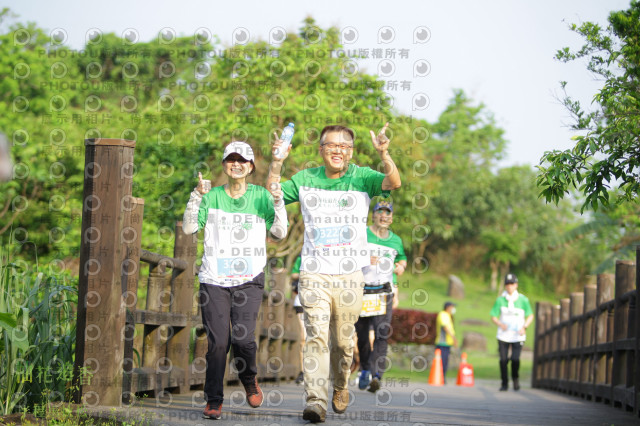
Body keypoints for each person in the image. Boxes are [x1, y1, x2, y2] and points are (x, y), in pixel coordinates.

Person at [267, 123, 401, 423]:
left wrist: (384, 153)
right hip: (314, 273)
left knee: (343, 342)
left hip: (351, 274)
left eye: (345, 146)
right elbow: (272, 195)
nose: (338, 150)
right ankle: (315, 401)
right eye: (332, 145)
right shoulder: (305, 178)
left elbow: (394, 182)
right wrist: (276, 163)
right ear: (321, 150)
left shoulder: (362, 176)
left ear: (351, 152)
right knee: (316, 338)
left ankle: (340, 384)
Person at [182, 141, 288, 419]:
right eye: (231, 159)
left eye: (242, 160)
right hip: (214, 278)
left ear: (250, 167)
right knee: (218, 343)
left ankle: (249, 378)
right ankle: (214, 400)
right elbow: (190, 227)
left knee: (243, 339)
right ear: (225, 165)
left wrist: (278, 202)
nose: (236, 163)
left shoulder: (261, 196)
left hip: (249, 277)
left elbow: (279, 233)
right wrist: (195, 196)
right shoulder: (211, 195)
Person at [355, 201, 407, 393]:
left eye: (388, 213)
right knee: (361, 336)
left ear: (391, 218)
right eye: (380, 213)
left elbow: (402, 258)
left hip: (384, 292)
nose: (384, 216)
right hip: (362, 290)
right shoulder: (362, 234)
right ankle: (365, 369)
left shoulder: (396, 240)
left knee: (381, 333)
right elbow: (348, 256)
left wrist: (401, 266)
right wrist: (364, 259)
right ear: (373, 215)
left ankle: (377, 375)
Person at [490, 273, 534, 391]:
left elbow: (530, 315)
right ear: (505, 286)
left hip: (517, 336)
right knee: (503, 360)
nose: (510, 286)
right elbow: (493, 316)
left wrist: (524, 327)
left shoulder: (523, 300)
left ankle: (515, 378)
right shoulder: (500, 300)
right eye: (507, 284)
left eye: (512, 284)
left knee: (515, 359)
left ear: (516, 285)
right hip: (503, 335)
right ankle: (504, 383)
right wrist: (500, 324)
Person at [290, 254, 305, 384]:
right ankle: (303, 371)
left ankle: (318, 371)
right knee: (303, 339)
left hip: (323, 301)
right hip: (301, 301)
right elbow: (293, 275)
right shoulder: (301, 256)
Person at [435, 301, 458, 383]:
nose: (453, 309)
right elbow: (445, 327)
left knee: (445, 362)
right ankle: (440, 378)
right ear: (448, 307)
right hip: (442, 342)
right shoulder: (443, 314)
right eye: (452, 307)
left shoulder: (448, 316)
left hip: (447, 343)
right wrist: (454, 338)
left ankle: (442, 378)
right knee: (442, 362)